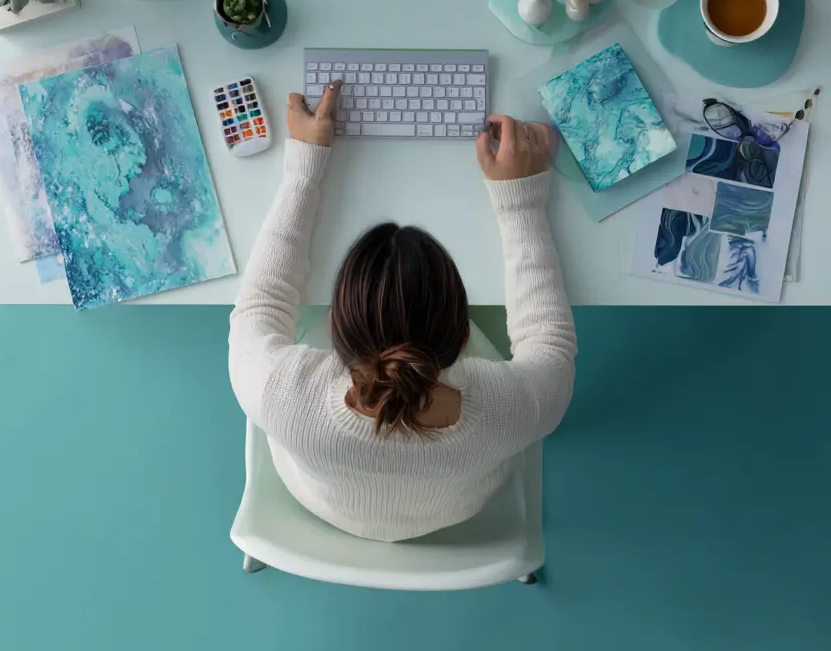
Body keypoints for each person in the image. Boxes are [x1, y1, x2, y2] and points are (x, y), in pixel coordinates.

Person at [228, 80, 576, 543]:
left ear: (334, 327)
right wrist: (520, 199)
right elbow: (548, 343)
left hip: (323, 501)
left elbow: (261, 304)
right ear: (464, 336)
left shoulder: (280, 395)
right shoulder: (514, 409)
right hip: (457, 505)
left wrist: (304, 165)